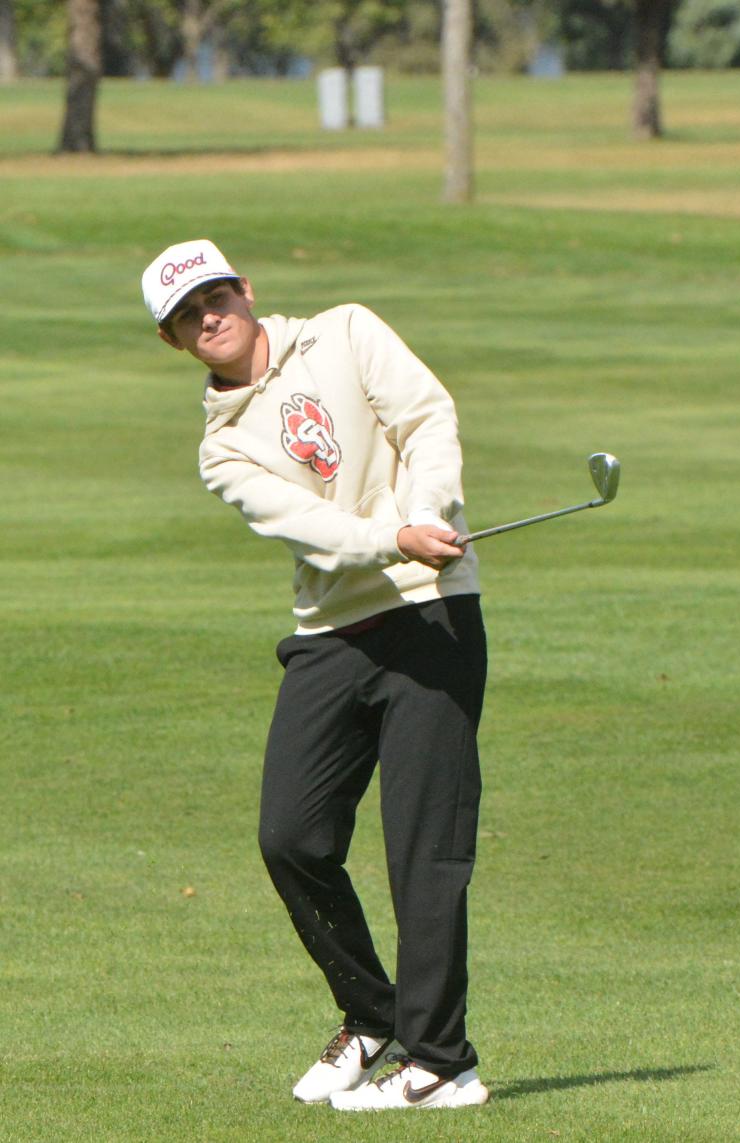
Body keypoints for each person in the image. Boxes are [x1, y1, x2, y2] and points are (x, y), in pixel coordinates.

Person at [141, 239, 489, 1112]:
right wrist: (388, 537)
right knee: (290, 834)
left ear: (246, 290)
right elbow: (308, 525)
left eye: (215, 296)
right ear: (175, 341)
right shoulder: (221, 450)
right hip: (333, 629)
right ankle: (373, 1012)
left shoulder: (346, 332)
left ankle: (442, 1062)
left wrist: (425, 512)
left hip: (432, 610)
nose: (208, 316)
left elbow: (428, 421)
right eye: (187, 315)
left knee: (423, 847)